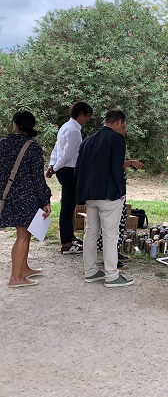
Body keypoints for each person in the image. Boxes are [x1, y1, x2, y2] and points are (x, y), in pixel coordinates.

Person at [75, 109, 134, 288]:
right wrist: (121, 192)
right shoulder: (116, 140)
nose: (124, 130)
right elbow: (117, 168)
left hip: (89, 195)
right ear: (117, 123)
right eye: (123, 126)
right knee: (110, 235)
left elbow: (78, 170)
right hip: (109, 195)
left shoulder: (87, 141)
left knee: (91, 233)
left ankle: (91, 271)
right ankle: (111, 275)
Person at [0, 111, 51, 287]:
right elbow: (38, 178)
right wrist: (46, 199)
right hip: (27, 197)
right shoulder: (33, 148)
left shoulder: (2, 144)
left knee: (24, 234)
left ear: (16, 124)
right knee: (23, 235)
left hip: (7, 196)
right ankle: (16, 277)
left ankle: (23, 268)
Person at [46, 101, 93, 255]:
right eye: (87, 117)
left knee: (70, 205)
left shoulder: (66, 126)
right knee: (67, 207)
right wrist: (55, 167)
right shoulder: (74, 131)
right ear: (81, 115)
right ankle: (66, 243)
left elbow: (56, 148)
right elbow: (65, 155)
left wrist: (52, 164)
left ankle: (70, 237)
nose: (87, 120)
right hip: (68, 170)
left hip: (64, 169)